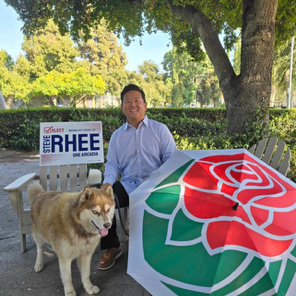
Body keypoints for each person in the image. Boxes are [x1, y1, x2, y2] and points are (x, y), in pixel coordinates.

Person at [98, 84, 176, 270]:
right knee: (103, 201)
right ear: (122, 106)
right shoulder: (117, 136)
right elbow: (113, 163)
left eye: (137, 101)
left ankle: (163, 248)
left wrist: (164, 182)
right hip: (129, 184)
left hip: (156, 184)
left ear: (145, 105)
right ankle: (113, 246)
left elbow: (171, 160)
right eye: (128, 102)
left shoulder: (160, 130)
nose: (133, 105)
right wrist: (108, 181)